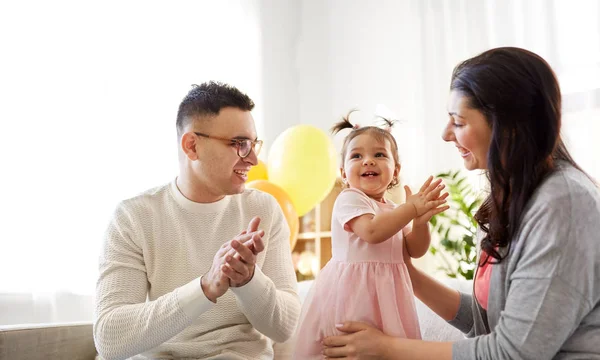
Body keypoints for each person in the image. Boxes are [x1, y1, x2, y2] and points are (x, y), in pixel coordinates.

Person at [321, 47, 600, 359]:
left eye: (458, 121)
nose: (445, 134)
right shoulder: (510, 198)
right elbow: (487, 324)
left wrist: (387, 349)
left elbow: (514, 352)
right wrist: (400, 273)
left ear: (507, 125)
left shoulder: (564, 204)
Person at [93, 81, 301, 360]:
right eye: (239, 144)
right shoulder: (133, 217)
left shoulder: (264, 209)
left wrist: (249, 280)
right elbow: (109, 338)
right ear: (192, 146)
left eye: (253, 144)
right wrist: (205, 288)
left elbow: (285, 328)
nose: (252, 159)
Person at [292, 113, 449, 359]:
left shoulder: (395, 211)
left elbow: (414, 250)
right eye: (357, 156)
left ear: (395, 171)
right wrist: (411, 209)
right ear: (343, 173)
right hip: (353, 296)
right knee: (352, 348)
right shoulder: (349, 199)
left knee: (388, 348)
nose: (368, 161)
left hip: (390, 296)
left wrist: (420, 222)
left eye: (379, 154)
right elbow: (372, 231)